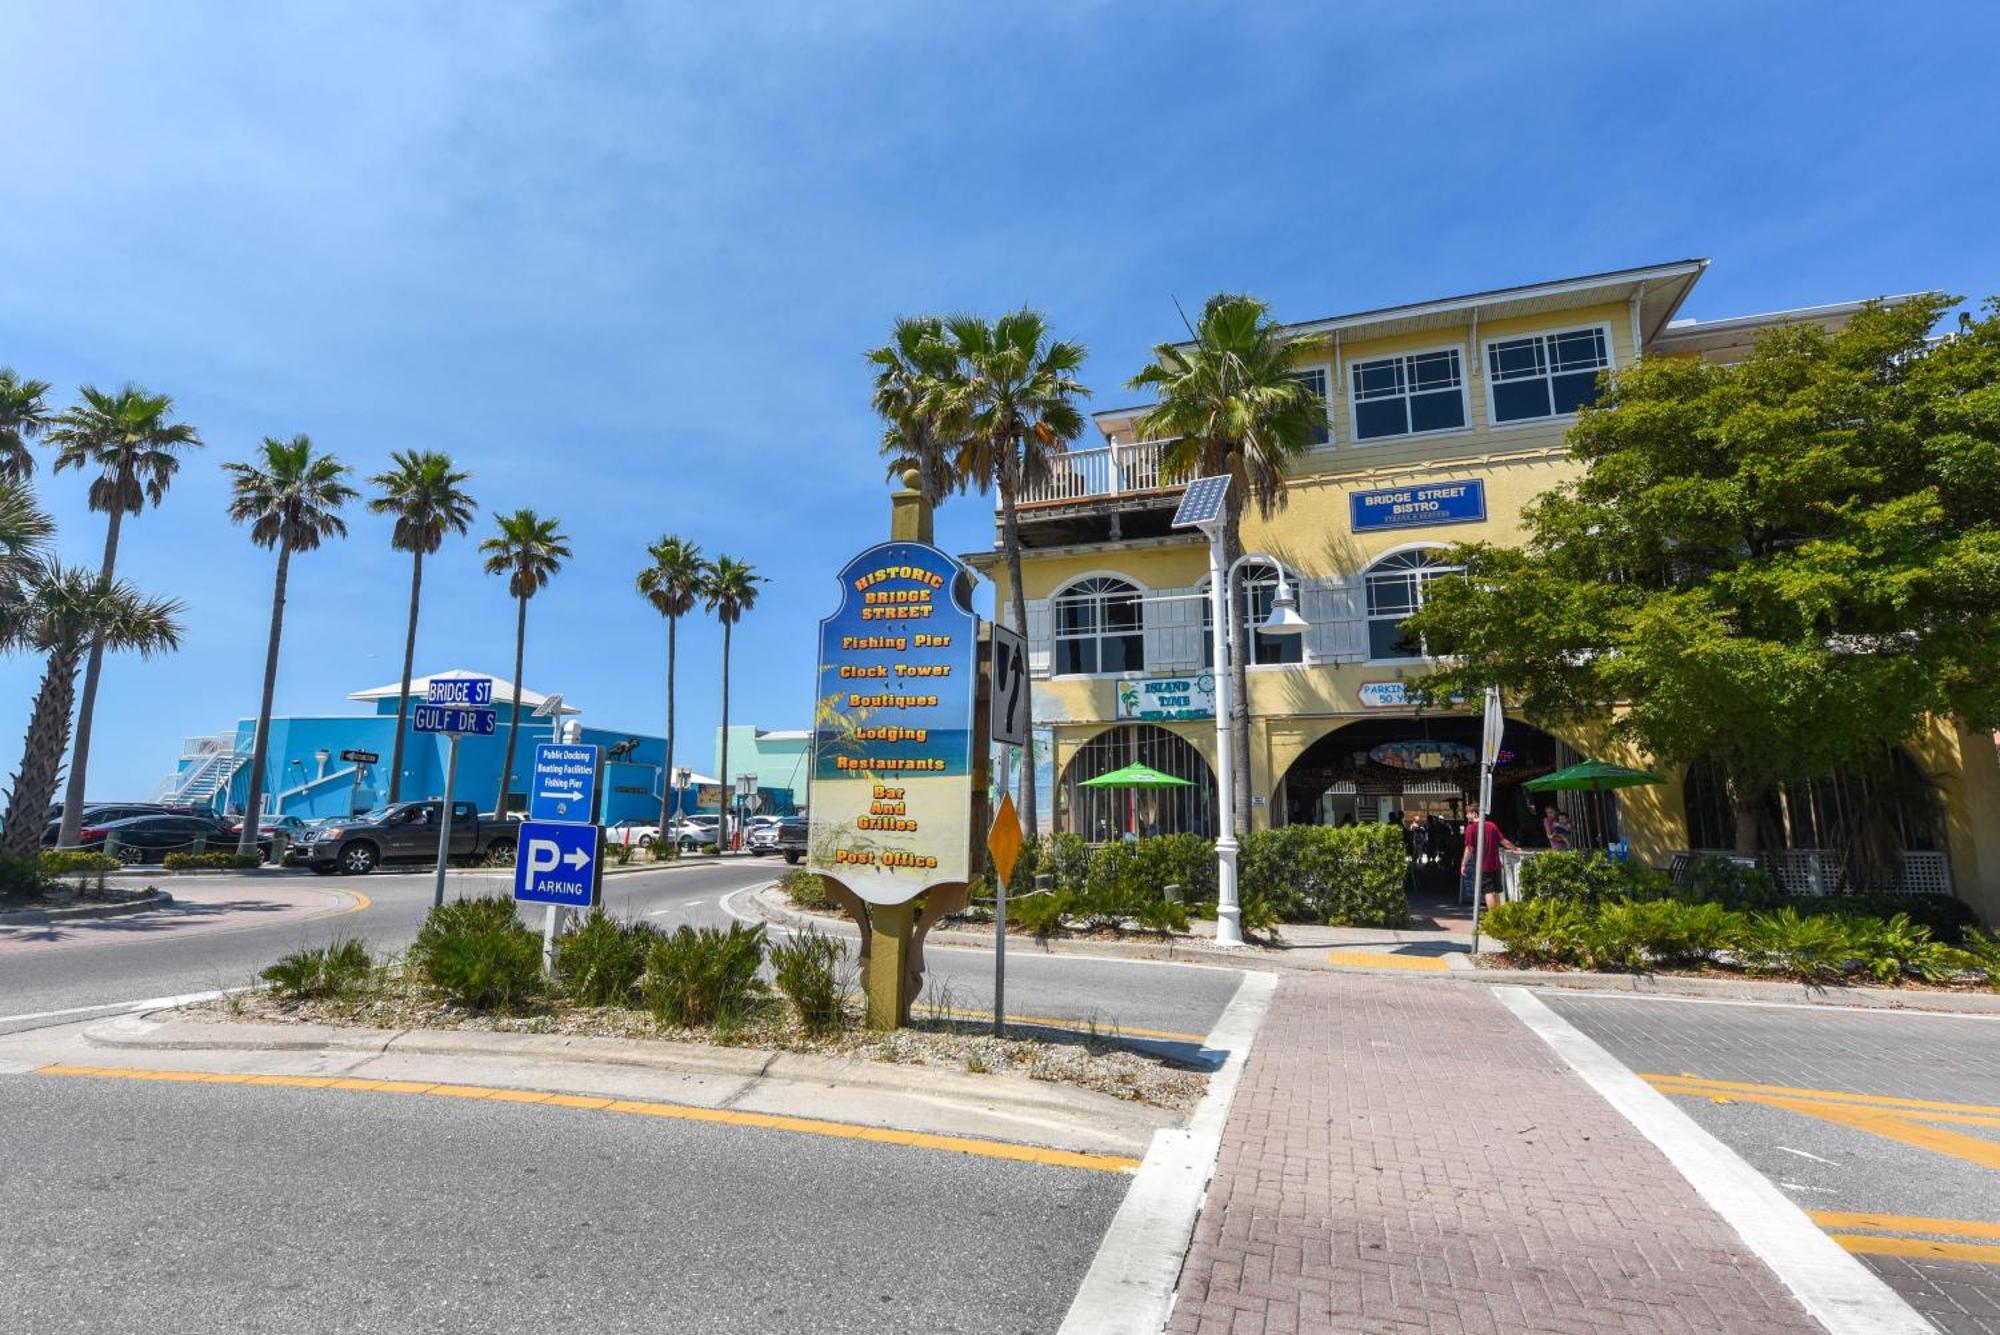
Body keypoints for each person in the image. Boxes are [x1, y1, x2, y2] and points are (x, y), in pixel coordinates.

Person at [1461, 813, 1517, 911]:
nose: (1466, 816)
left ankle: (1492, 916)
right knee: (1496, 891)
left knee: (1488, 891)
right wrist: (1515, 848)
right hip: (1496, 864)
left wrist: (1464, 864)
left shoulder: (1471, 828)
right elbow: (1503, 841)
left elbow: (1469, 849)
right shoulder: (1492, 825)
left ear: (1474, 813)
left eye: (1468, 813)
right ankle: (1499, 915)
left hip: (1483, 865)